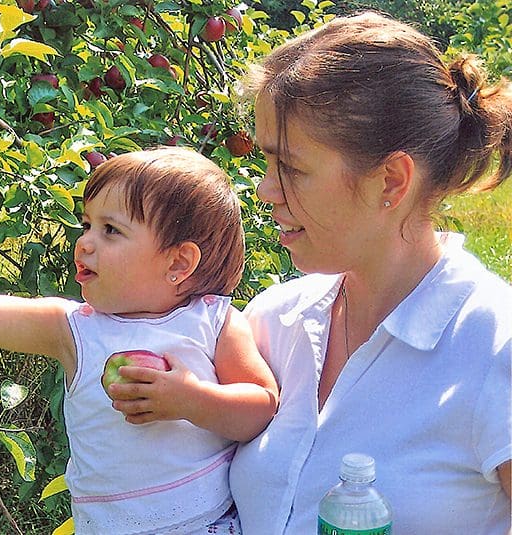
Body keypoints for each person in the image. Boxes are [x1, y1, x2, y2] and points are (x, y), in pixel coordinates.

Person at [108, 12, 512, 534]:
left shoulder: (493, 346)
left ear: (391, 180)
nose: (265, 190)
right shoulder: (274, 322)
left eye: (291, 167)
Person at [0, 147, 279, 534]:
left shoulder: (214, 321)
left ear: (179, 262)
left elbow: (261, 407)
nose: (85, 242)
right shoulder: (74, 329)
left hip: (205, 525)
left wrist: (192, 399)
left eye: (111, 230)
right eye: (87, 224)